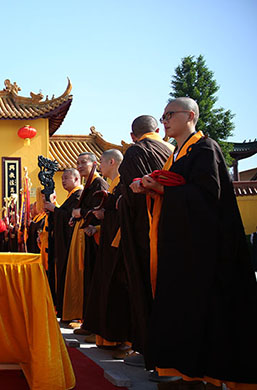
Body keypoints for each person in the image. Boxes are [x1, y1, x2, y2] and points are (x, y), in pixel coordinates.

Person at [134, 97, 257, 387]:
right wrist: (150, 187)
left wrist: (162, 188)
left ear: (190, 116)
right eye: (162, 116)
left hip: (204, 249)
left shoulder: (205, 149)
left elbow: (206, 197)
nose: (163, 121)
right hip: (179, 245)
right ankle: (183, 368)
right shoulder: (175, 155)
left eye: (169, 115)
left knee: (206, 310)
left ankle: (206, 372)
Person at [118, 115, 173, 368]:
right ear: (159, 130)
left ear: (132, 136)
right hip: (177, 229)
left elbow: (134, 192)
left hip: (146, 230)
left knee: (146, 285)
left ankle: (151, 350)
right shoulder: (173, 150)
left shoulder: (135, 153)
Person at [81, 149, 129, 349]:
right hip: (107, 241)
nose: (99, 167)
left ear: (111, 161)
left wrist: (102, 216)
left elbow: (124, 213)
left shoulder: (122, 184)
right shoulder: (113, 185)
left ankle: (122, 340)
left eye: (100, 162)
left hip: (119, 244)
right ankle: (104, 334)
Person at [62, 153, 108, 326]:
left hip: (91, 234)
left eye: (83, 162)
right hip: (82, 233)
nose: (80, 166)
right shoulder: (89, 185)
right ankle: (83, 317)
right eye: (77, 163)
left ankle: (86, 319)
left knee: (88, 274)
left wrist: (80, 213)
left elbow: (100, 209)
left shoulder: (99, 183)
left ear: (95, 164)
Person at [44, 168, 83, 318]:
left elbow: (69, 217)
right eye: (62, 178)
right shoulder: (71, 196)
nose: (63, 181)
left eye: (66, 178)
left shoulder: (79, 194)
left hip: (71, 243)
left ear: (76, 179)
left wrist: (55, 210)